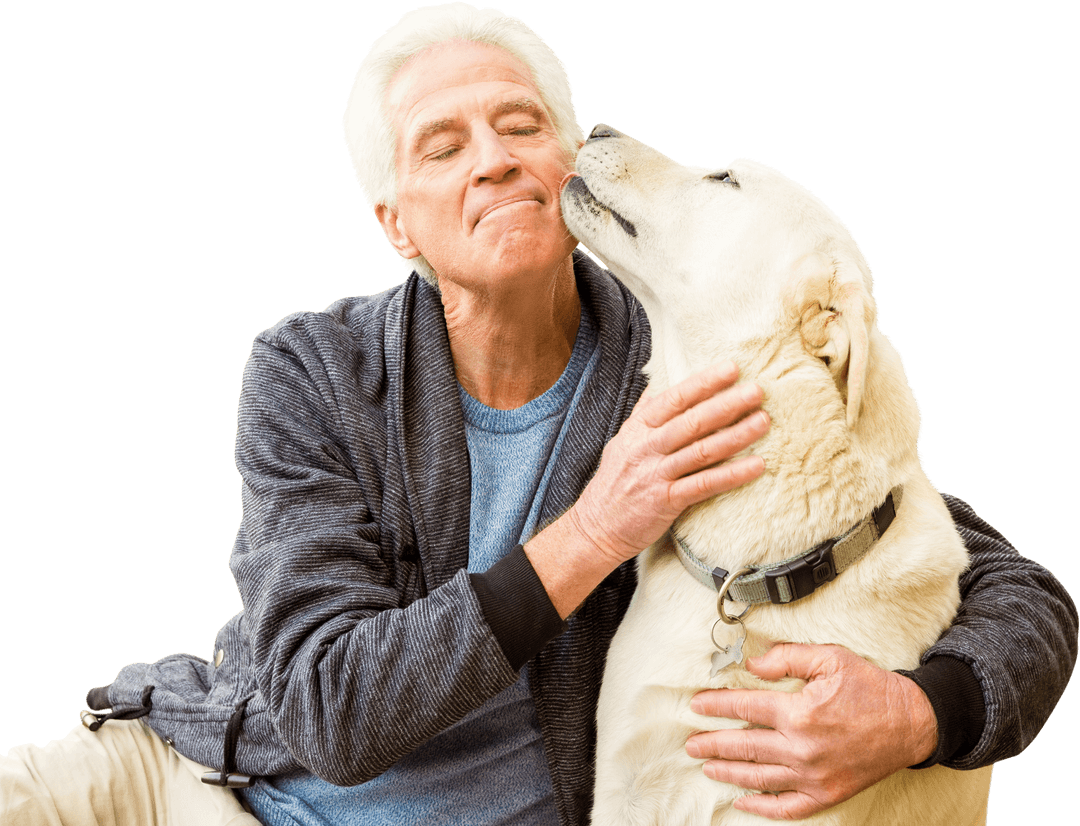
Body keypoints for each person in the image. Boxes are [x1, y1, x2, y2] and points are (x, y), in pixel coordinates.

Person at [1, 4, 1075, 825]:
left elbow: (1008, 584)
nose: (496, 158)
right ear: (398, 226)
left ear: (568, 166)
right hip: (200, 785)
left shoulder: (691, 358)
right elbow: (331, 711)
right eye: (443, 144)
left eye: (521, 125)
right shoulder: (313, 371)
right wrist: (601, 525)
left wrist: (923, 711)